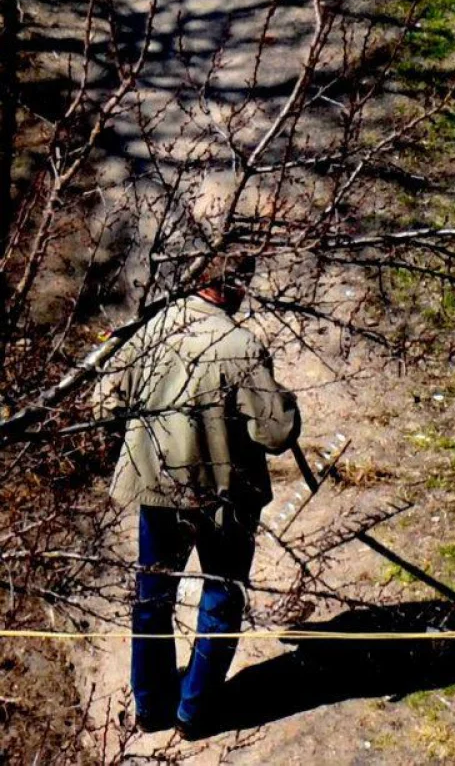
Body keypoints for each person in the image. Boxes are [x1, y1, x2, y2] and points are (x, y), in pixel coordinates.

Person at [93, 255, 300, 737]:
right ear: (235, 286)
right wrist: (285, 402)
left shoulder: (151, 329)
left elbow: (105, 403)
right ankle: (195, 712)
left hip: (158, 492)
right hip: (224, 498)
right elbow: (275, 433)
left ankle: (149, 707)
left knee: (151, 599)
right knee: (222, 596)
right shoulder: (242, 346)